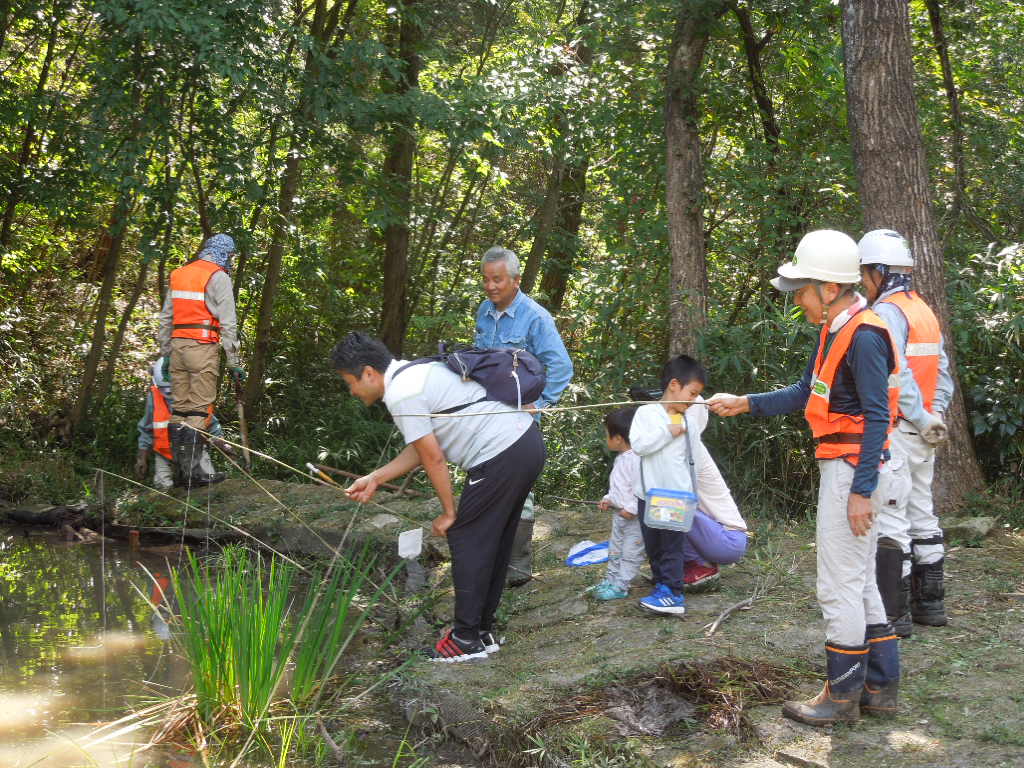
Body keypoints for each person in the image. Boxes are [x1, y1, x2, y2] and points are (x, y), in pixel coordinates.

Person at [708, 229, 902, 726]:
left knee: (837, 586)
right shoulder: (838, 329)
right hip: (849, 469)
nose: (798, 301)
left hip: (852, 472)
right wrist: (746, 403)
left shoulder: (863, 334)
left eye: (802, 290)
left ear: (830, 288)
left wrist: (860, 492)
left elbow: (878, 417)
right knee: (859, 585)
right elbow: (804, 391)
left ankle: (840, 699)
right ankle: (878, 690)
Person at [333, 332, 545, 662]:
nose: (352, 391)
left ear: (369, 373)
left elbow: (434, 458)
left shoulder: (402, 394)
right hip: (524, 445)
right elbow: (420, 449)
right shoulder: (414, 372)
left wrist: (449, 512)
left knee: (467, 538)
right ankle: (480, 633)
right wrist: (375, 478)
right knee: (494, 540)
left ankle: (464, 639)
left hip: (501, 454)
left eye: (351, 382)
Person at [859, 229, 952, 633]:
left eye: (865, 273)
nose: (863, 282)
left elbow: (896, 375)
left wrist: (918, 416)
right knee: (923, 516)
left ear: (879, 272)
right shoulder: (923, 311)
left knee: (892, 522)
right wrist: (935, 417)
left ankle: (893, 617)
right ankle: (930, 608)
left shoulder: (886, 314)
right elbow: (942, 372)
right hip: (926, 431)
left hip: (900, 428)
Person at [474, 246, 573, 586]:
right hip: (486, 413)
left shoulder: (535, 317)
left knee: (517, 486)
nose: (491, 286)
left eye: (498, 279)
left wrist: (540, 403)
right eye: (486, 279)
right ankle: (490, 555)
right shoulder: (483, 312)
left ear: (515, 280)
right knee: (485, 480)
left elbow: (561, 365)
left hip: (519, 418)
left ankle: (516, 565)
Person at [628, 355, 707, 615]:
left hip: (675, 496)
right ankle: (661, 585)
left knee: (671, 545)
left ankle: (673, 593)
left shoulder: (689, 421)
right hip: (648, 495)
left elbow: (693, 457)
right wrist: (667, 432)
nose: (693, 400)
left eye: (697, 396)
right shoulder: (646, 413)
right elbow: (640, 446)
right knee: (654, 545)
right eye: (692, 393)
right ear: (674, 384)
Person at [681, 394, 750, 588]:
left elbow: (678, 499)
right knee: (659, 505)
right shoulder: (684, 448)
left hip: (727, 539)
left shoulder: (691, 452)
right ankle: (686, 564)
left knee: (664, 506)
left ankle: (700, 565)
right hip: (717, 535)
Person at [135, 357, 226, 489]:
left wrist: (221, 442)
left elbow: (211, 422)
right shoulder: (154, 399)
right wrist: (141, 458)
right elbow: (146, 429)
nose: (169, 395)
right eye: (164, 390)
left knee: (207, 486)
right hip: (164, 452)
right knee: (163, 489)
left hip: (194, 450)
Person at [592, 407, 643, 600]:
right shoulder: (621, 459)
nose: (606, 439)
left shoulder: (637, 459)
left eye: (607, 435)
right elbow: (620, 487)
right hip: (619, 515)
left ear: (619, 438)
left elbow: (642, 488)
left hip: (634, 519)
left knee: (630, 552)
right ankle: (611, 580)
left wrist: (632, 509)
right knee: (615, 549)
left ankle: (621, 585)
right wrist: (609, 499)